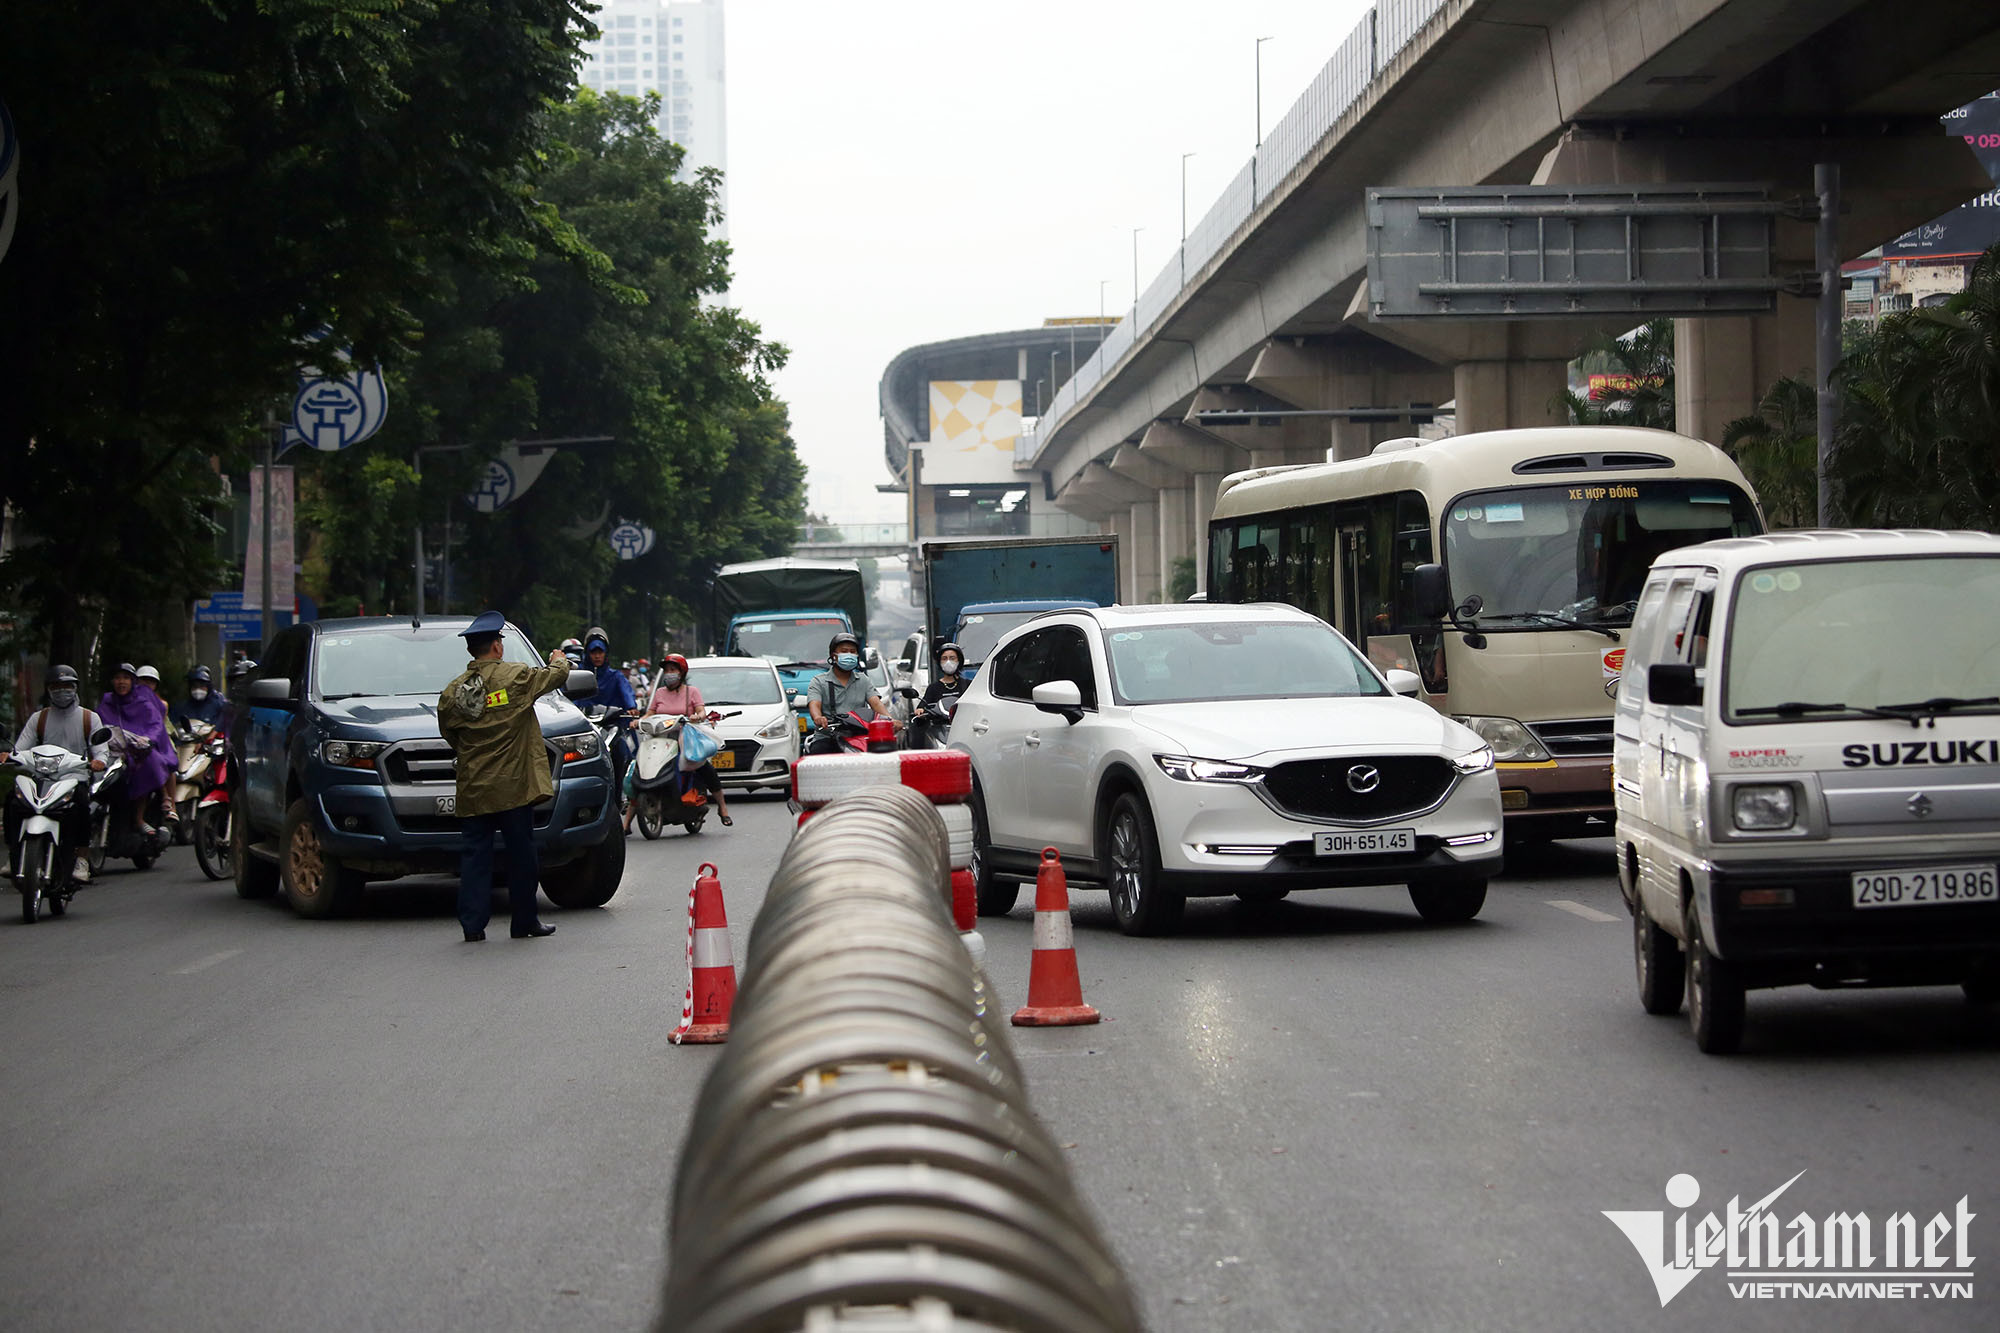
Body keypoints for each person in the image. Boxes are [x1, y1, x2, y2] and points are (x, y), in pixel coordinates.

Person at [436, 611, 571, 943]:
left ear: (472, 651)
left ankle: (472, 925)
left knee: (475, 858)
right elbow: (555, 677)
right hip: (513, 788)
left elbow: (450, 735)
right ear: (497, 646)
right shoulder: (516, 677)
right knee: (521, 855)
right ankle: (524, 921)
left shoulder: (453, 692)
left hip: (475, 789)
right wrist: (560, 659)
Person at [2, 665, 110, 884]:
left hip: (73, 779)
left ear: (75, 688)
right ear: (48, 690)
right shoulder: (38, 719)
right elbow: (21, 748)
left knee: (82, 807)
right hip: (41, 780)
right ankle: (14, 855)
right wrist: (9, 755)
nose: (62, 691)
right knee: (13, 801)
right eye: (56, 686)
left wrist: (99, 761)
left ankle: (81, 858)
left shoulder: (89, 718)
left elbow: (100, 750)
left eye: (67, 686)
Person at [635, 653, 731, 829]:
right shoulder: (659, 693)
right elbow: (650, 713)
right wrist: (639, 721)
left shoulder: (691, 692)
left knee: (703, 767)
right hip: (661, 738)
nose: (669, 673)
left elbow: (702, 711)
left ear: (681, 673)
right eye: (667, 670)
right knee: (639, 768)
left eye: (673, 670)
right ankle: (627, 822)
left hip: (684, 739)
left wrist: (696, 716)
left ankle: (722, 807)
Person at [98, 662, 177, 835]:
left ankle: (141, 818)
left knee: (148, 766)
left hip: (138, 751)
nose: (121, 682)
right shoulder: (107, 702)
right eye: (118, 678)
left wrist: (146, 740)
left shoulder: (143, 702)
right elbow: (98, 725)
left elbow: (156, 725)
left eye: (126, 678)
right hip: (112, 751)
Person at [576, 625, 639, 785]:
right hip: (584, 728)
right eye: (593, 652)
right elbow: (569, 698)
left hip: (611, 728)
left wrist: (631, 707)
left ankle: (623, 792)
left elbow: (626, 693)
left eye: (600, 652)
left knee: (625, 752)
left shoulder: (615, 676)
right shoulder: (578, 674)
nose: (597, 656)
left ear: (606, 654)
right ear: (587, 654)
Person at [807, 631, 890, 738]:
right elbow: (814, 704)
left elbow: (876, 704)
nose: (849, 654)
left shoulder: (863, 680)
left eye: (852, 651)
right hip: (827, 736)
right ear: (833, 656)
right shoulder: (818, 681)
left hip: (858, 736)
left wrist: (890, 720)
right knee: (819, 750)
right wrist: (818, 717)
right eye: (844, 651)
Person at [915, 641, 970, 719]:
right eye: (944, 658)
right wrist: (920, 710)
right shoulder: (933, 688)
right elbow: (922, 706)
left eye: (952, 658)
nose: (948, 662)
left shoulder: (968, 685)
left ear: (959, 661)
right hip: (939, 729)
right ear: (939, 662)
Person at [169, 665, 227, 732]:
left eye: (202, 686)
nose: (198, 689)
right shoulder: (180, 707)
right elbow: (172, 728)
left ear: (208, 687)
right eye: (195, 686)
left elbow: (226, 723)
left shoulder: (219, 703)